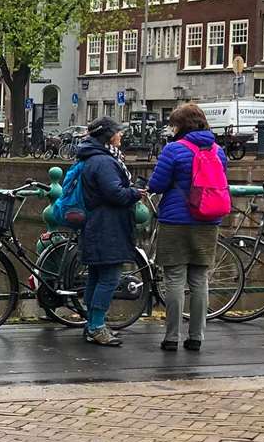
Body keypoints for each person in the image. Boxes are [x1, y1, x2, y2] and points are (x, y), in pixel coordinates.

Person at [148, 104, 228, 352]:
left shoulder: (174, 150)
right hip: (207, 221)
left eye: (173, 124)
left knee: (174, 278)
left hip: (176, 221)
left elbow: (157, 184)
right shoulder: (218, 151)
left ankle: (171, 337)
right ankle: (196, 337)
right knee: (199, 279)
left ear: (181, 126)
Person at [76, 116, 142, 347]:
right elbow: (115, 193)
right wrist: (135, 193)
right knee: (110, 277)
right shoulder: (103, 162)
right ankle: (96, 326)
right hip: (107, 226)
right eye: (117, 132)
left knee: (97, 275)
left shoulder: (93, 158)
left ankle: (92, 324)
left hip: (98, 225)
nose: (121, 135)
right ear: (108, 136)